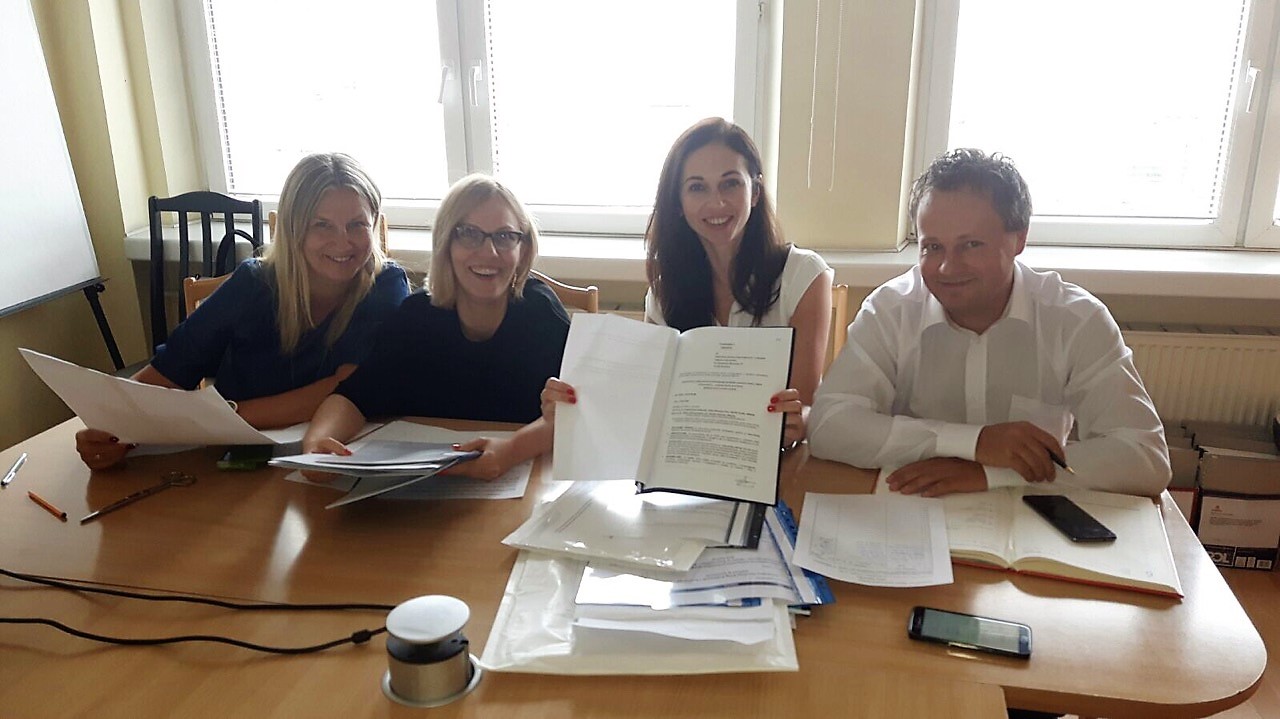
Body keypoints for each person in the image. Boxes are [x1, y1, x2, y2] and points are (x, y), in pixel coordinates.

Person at [808, 148, 1170, 498]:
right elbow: (828, 426)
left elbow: (1145, 456)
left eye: (971, 245)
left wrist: (989, 473)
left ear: (1019, 239)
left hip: (1032, 510)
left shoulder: (1075, 319)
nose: (947, 267)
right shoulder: (891, 309)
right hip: (911, 506)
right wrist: (976, 443)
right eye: (933, 247)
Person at [76, 153, 410, 470]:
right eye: (322, 225)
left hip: (329, 457)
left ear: (374, 224)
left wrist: (222, 416)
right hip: (231, 464)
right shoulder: (253, 283)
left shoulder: (385, 284)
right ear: (293, 229)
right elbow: (166, 375)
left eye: (357, 224)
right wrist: (114, 426)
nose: (343, 242)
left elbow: (349, 385)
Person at [542, 118, 832, 446]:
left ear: (755, 192)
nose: (717, 203)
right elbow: (648, 399)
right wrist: (574, 404)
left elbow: (802, 405)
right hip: (689, 458)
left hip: (776, 462)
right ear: (678, 203)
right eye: (697, 187)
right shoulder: (664, 293)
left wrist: (799, 419)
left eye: (730, 184)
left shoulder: (804, 275)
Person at [302, 174, 570, 479]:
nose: (489, 252)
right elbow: (353, 396)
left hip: (526, 485)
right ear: (446, 244)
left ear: (523, 248)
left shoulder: (541, 313)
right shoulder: (417, 317)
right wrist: (316, 446)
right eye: (469, 234)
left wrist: (511, 451)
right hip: (419, 492)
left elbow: (576, 412)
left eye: (505, 236)